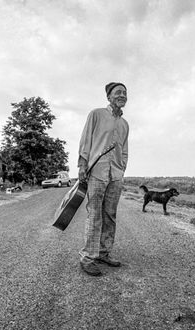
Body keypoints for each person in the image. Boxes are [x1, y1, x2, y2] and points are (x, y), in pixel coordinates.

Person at [78, 82, 129, 276]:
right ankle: (88, 257)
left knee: (110, 215)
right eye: (118, 92)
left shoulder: (125, 124)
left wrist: (122, 169)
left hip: (115, 175)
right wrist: (82, 165)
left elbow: (124, 150)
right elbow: (85, 141)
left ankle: (104, 253)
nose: (122, 95)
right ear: (109, 96)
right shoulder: (96, 114)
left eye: (125, 93)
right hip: (97, 172)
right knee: (95, 215)